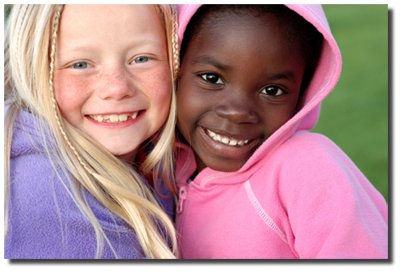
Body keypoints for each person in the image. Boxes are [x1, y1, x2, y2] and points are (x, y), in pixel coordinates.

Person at [174, 4, 388, 259]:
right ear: (175, 70)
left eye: (272, 91)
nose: (237, 112)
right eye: (211, 78)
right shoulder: (161, 167)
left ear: (303, 96)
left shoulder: (308, 168)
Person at [4, 4, 180, 259]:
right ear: (33, 72)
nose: (117, 88)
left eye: (141, 59)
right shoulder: (55, 202)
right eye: (80, 64)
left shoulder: (165, 158)